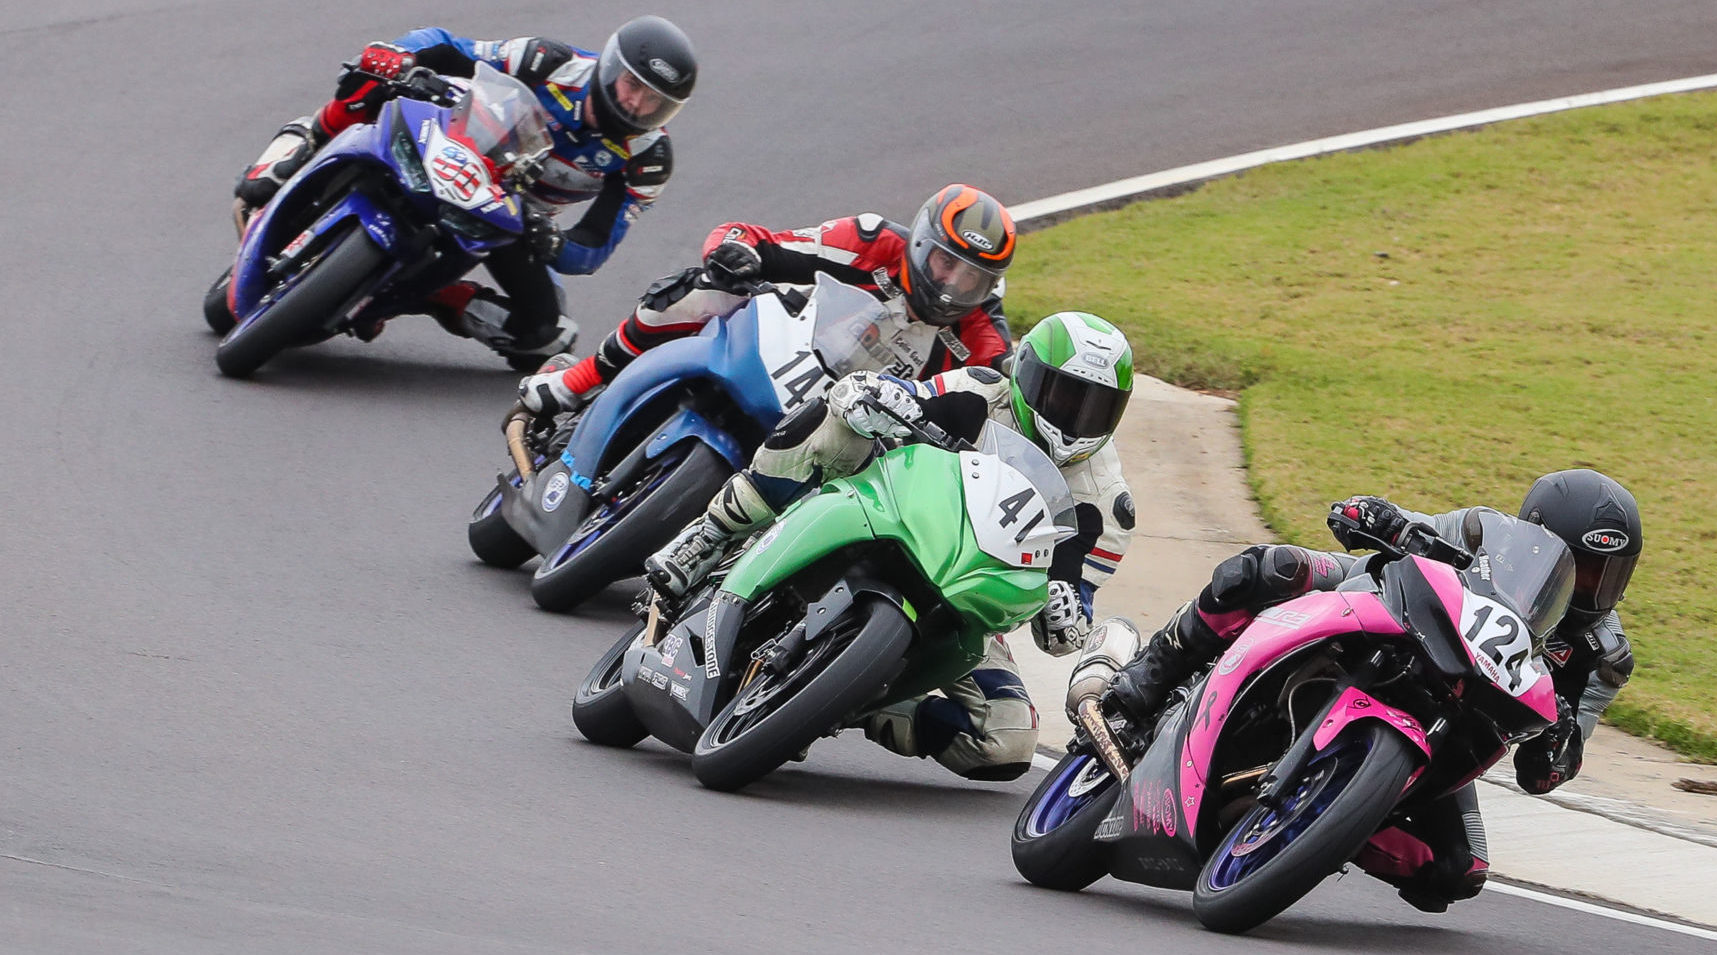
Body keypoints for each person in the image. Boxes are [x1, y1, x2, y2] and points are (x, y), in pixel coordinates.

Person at [1105, 468, 1643, 911]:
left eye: (1609, 574)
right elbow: (1414, 529)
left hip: (1452, 719)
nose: (1595, 587)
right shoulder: (1483, 533)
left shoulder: (1605, 657)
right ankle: (1148, 680)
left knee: (1459, 869)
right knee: (1268, 568)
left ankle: (1325, 822)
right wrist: (1380, 518)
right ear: (1538, 537)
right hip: (1377, 611)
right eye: (1585, 568)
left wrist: (1561, 745)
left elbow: (1549, 764)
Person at [644, 311, 1138, 780]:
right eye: (1064, 395)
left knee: (1007, 742)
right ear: (1026, 374)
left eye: (1096, 406)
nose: (1075, 417)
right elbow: (901, 398)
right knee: (840, 413)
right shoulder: (979, 392)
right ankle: (710, 535)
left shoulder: (1108, 504)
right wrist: (875, 396)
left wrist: (1066, 612)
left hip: (969, 593)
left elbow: (1069, 619)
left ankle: (842, 700)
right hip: (890, 513)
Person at [233, 17, 695, 366]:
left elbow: (594, 247)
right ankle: (304, 145)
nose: (637, 104)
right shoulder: (548, 60)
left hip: (509, 211)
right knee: (376, 77)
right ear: (613, 67)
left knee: (545, 336)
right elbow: (450, 47)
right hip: (458, 144)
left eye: (654, 100)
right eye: (634, 85)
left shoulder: (649, 159)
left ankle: (437, 296)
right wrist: (400, 54)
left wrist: (552, 240)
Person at [514, 184, 1017, 414]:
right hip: (790, 347)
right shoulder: (872, 240)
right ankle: (581, 379)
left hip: (852, 420)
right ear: (922, 245)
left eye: (971, 279)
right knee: (695, 291)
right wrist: (733, 254)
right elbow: (747, 234)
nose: (952, 284)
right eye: (945, 263)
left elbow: (1007, 395)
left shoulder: (984, 333)